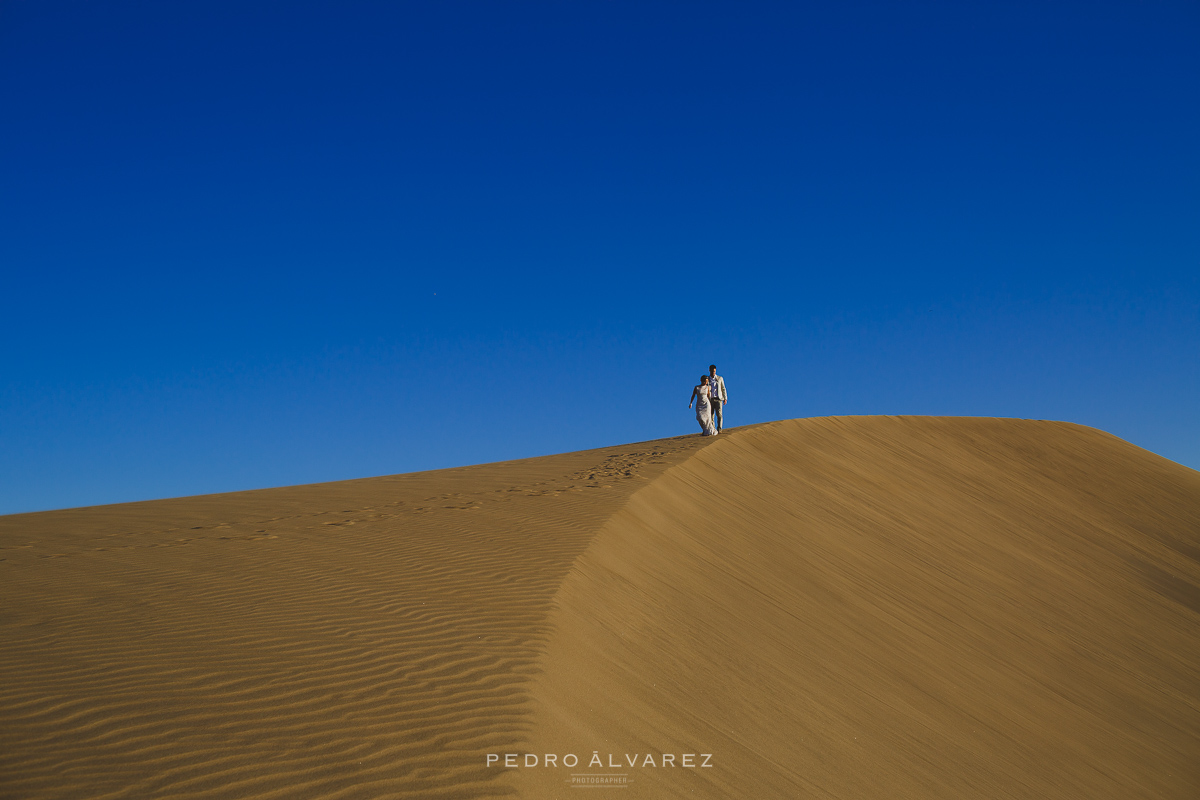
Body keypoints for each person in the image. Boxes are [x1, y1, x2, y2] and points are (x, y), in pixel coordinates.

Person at [707, 364, 728, 432]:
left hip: (718, 398)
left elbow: (723, 388)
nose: (713, 372)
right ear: (709, 371)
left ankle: (719, 428)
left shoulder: (720, 378)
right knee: (711, 415)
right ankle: (713, 429)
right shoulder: (707, 379)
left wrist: (725, 398)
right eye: (712, 371)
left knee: (719, 415)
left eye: (714, 371)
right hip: (710, 399)